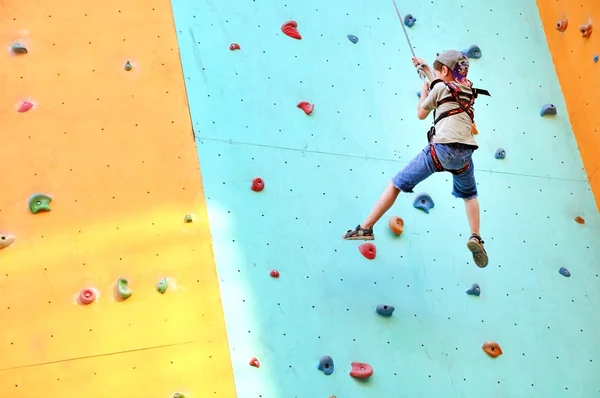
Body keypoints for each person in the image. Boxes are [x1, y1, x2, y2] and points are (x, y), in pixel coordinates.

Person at [342, 49, 489, 268]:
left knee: (396, 184)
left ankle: (366, 227)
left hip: (441, 150)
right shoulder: (467, 88)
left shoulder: (438, 87)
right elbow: (445, 86)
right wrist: (429, 70)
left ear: (445, 70)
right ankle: (476, 236)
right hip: (465, 156)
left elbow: (422, 113)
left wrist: (424, 90)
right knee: (470, 196)